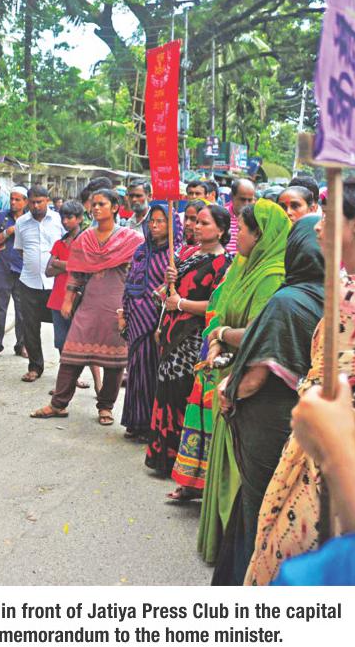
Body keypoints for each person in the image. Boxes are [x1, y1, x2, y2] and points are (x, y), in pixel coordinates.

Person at [246, 177, 355, 585]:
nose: (318, 225)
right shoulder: (348, 286)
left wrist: (334, 447)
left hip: (344, 449)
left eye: (328, 214)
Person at [215, 215, 325, 586]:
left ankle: (251, 581)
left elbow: (255, 378)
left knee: (262, 505)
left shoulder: (286, 302)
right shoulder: (341, 299)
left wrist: (229, 394)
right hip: (310, 421)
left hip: (269, 420)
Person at [177, 200, 289, 562]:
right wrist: (215, 339)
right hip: (223, 369)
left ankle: (237, 556)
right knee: (222, 462)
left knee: (237, 473)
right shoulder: (241, 267)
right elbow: (219, 309)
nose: (237, 237)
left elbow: (256, 333)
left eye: (244, 230)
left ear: (261, 235)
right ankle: (222, 548)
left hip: (245, 382)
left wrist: (221, 334)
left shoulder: (272, 275)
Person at [30, 188, 143, 425]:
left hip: (117, 306)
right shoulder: (86, 238)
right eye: (94, 204)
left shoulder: (131, 239)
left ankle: (106, 407)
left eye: (102, 204)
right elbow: (76, 272)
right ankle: (58, 404)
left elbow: (141, 274)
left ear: (115, 208)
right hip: (89, 305)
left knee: (115, 363)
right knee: (71, 355)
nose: (96, 208)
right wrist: (68, 300)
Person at [146, 205, 233, 490]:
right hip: (171, 331)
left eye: (204, 223)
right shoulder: (187, 254)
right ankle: (160, 456)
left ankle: (179, 463)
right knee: (164, 393)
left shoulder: (223, 264)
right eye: (195, 222)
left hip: (193, 337)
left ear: (220, 230)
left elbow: (216, 305)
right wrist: (169, 288)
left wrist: (181, 304)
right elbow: (169, 295)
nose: (196, 226)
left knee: (181, 394)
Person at [118, 202, 175, 440]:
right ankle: (134, 421)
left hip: (156, 321)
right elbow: (130, 281)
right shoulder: (141, 250)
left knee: (150, 372)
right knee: (135, 370)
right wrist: (124, 312)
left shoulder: (175, 255)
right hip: (135, 317)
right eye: (152, 221)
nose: (154, 225)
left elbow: (171, 290)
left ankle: (149, 426)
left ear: (171, 225)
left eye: (161, 221)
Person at [45, 200, 100, 391]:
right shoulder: (60, 243)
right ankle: (67, 381)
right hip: (58, 299)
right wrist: (70, 265)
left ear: (79, 218)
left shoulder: (86, 241)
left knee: (86, 343)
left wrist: (60, 263)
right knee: (62, 343)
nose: (65, 221)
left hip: (80, 299)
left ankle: (98, 384)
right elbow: (48, 271)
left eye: (69, 217)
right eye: (63, 217)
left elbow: (87, 267)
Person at [13, 186, 64, 383]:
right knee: (30, 327)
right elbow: (20, 250)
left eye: (40, 202)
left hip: (55, 284)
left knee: (62, 327)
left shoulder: (59, 220)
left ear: (47, 201)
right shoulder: (21, 222)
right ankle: (35, 367)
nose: (36, 206)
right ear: (28, 202)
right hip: (29, 282)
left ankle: (68, 372)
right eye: (33, 202)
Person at [0, 187, 27, 356]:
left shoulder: (30, 219)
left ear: (25, 201)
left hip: (24, 268)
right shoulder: (0, 216)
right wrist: (7, 232)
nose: (13, 202)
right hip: (3, 266)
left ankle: (21, 345)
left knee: (23, 310)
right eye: (12, 199)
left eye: (17, 199)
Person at [226, 178, 257, 253]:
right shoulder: (222, 216)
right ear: (232, 197)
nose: (246, 204)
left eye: (250, 200)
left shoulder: (258, 218)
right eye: (242, 199)